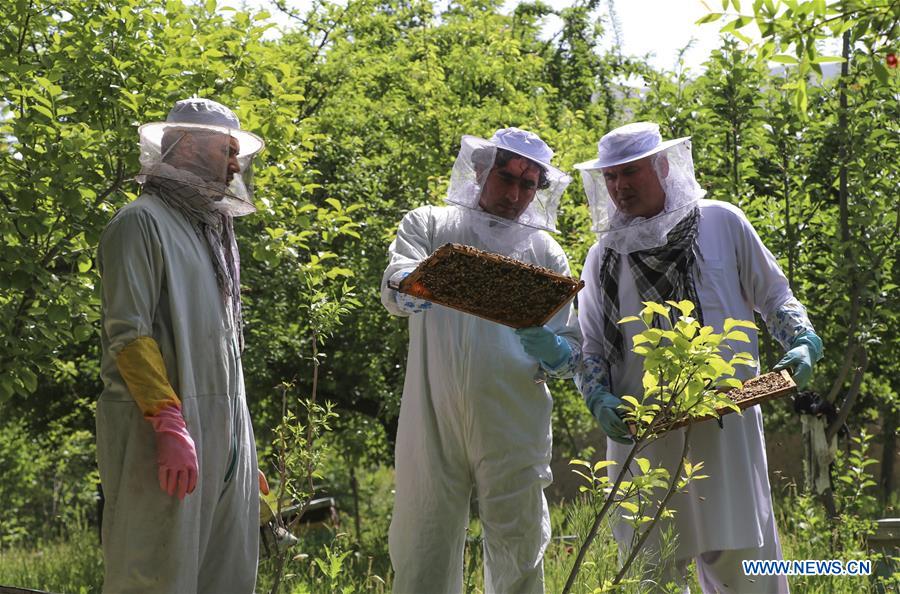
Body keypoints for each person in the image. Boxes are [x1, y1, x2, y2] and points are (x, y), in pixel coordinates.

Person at [574, 122, 823, 593]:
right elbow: (590, 348)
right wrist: (596, 396)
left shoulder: (721, 222)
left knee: (749, 573)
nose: (620, 187)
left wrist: (801, 337)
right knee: (653, 577)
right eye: (610, 177)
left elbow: (775, 296)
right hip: (644, 435)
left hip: (727, 429)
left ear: (664, 167)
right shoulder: (604, 254)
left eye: (631, 172)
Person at [381, 128, 582, 593]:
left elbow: (571, 351)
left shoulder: (544, 250)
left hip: (513, 416)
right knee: (421, 542)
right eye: (504, 177)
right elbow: (393, 282)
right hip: (432, 411)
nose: (514, 194)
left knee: (520, 549)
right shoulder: (429, 224)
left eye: (528, 185)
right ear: (478, 170)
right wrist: (417, 283)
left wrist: (554, 352)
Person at [96, 97, 269, 593]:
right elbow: (128, 334)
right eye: (227, 150)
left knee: (227, 578)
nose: (236, 164)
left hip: (225, 442)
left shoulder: (215, 233)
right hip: (162, 440)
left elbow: (222, 353)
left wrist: (240, 443)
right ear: (188, 144)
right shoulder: (140, 222)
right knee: (154, 577)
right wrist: (169, 423)